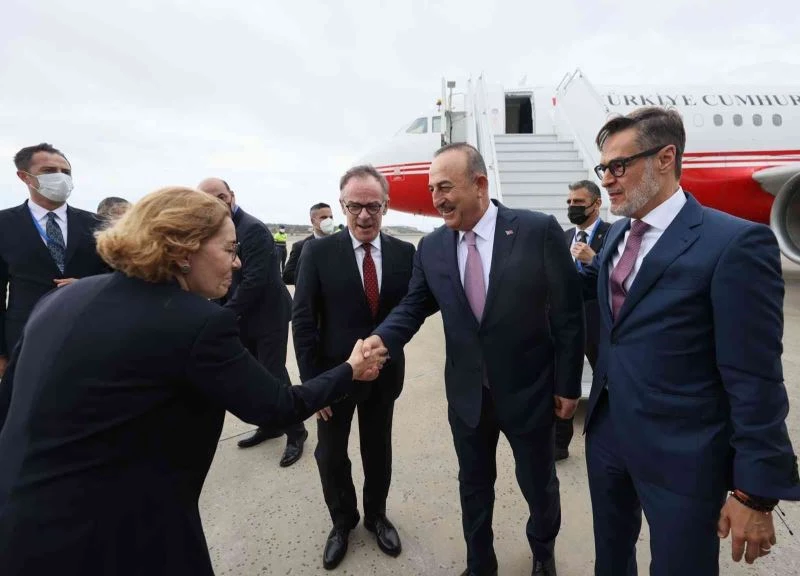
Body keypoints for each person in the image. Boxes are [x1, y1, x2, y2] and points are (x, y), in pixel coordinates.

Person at [0, 187, 387, 576]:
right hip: (118, 538)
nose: (237, 263)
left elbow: (9, 402)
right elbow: (278, 406)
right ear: (184, 250)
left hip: (19, 527)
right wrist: (349, 369)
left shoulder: (60, 299)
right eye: (229, 249)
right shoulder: (195, 322)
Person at [581, 107, 800, 575]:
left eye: (618, 166)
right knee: (610, 560)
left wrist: (755, 492)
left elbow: (756, 377)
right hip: (608, 437)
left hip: (683, 454)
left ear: (666, 158)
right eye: (603, 169)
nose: (607, 181)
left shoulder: (734, 244)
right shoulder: (616, 234)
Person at [363, 143, 585, 576]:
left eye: (445, 187)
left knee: (538, 485)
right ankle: (480, 563)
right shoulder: (432, 248)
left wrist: (568, 384)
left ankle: (543, 552)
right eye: (432, 189)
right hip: (467, 396)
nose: (437, 198)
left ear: (479, 184)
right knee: (474, 486)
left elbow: (569, 315)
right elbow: (413, 306)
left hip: (529, 392)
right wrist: (381, 340)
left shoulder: (537, 231)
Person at [293, 165, 415, 570]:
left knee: (378, 450)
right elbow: (304, 321)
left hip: (384, 375)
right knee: (330, 455)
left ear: (386, 206)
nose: (364, 216)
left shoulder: (404, 253)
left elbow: (411, 311)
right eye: (355, 206)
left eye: (373, 206)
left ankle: (376, 515)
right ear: (342, 205)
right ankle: (342, 521)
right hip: (333, 378)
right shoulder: (317, 253)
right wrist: (314, 386)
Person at [197, 178, 307, 467]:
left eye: (221, 196)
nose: (216, 202)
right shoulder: (213, 230)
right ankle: (270, 426)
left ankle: (297, 431)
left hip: (267, 315)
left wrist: (224, 314)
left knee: (273, 375)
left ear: (232, 195)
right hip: (241, 316)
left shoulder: (252, 229)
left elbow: (256, 280)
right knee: (254, 375)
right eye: (208, 199)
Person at [0, 143, 108, 379]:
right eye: (49, 171)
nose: (60, 177)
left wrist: (88, 287)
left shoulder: (99, 225)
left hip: (89, 336)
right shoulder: (4, 224)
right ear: (24, 177)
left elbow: (120, 277)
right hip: (25, 340)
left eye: (65, 172)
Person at [554, 180, 610, 461]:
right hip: (566, 324)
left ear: (596, 203)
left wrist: (595, 259)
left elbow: (621, 277)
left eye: (578, 202)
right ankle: (559, 445)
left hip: (599, 322)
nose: (572, 207)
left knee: (607, 381)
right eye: (569, 202)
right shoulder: (563, 237)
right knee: (563, 381)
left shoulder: (613, 234)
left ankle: (610, 437)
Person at [282, 202, 335, 284]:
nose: (329, 221)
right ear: (313, 221)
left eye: (331, 217)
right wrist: (314, 276)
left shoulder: (340, 243)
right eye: (324, 217)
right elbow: (287, 276)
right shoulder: (300, 246)